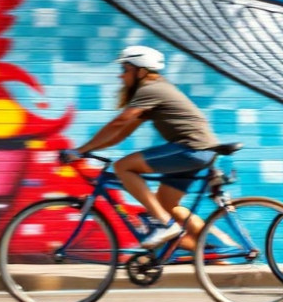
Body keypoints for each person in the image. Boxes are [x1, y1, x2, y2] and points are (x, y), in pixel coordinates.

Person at [60, 46, 220, 249]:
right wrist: (88, 150)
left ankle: (165, 224)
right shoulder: (153, 91)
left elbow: (119, 123)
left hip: (191, 149)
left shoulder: (151, 89)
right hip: (197, 152)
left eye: (126, 69)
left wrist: (80, 150)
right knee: (166, 206)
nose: (121, 76)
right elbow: (121, 133)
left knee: (123, 167)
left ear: (141, 71)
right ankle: (213, 249)